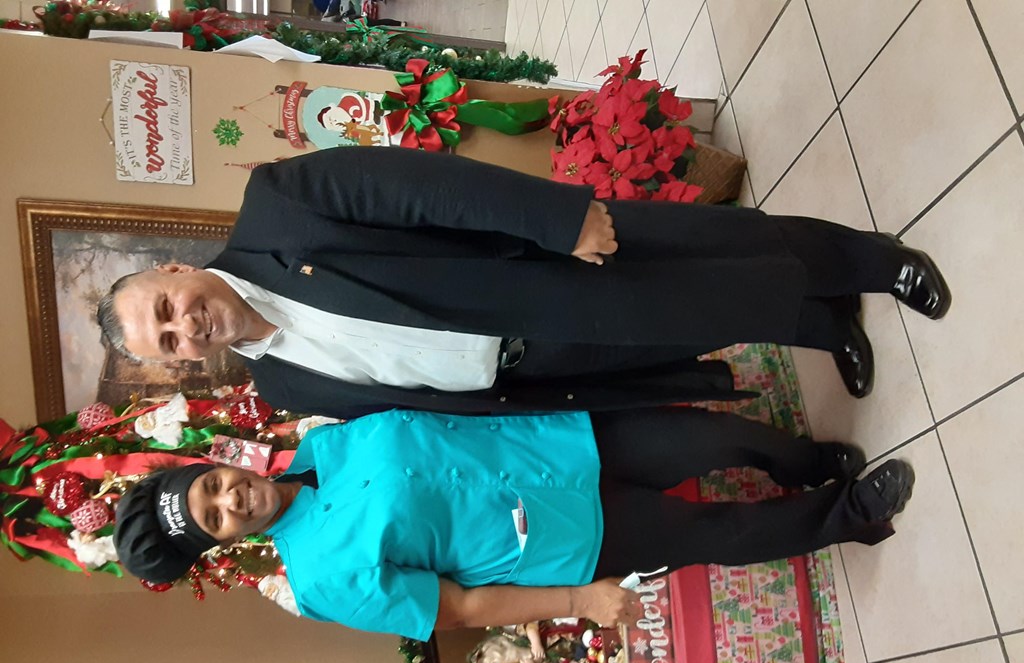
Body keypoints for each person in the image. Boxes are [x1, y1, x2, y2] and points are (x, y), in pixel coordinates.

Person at [96, 148, 951, 418]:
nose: (185, 329)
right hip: (533, 365)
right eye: (167, 344)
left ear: (174, 269)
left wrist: (555, 218)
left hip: (544, 267)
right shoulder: (280, 384)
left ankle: (878, 261)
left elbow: (419, 185)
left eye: (166, 310)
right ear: (179, 365)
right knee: (697, 321)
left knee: (723, 253)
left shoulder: (277, 209)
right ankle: (825, 322)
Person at [113, 408, 913, 640]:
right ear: (224, 545)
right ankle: (849, 514)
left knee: (712, 437)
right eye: (216, 518)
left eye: (214, 486)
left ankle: (807, 463)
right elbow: (456, 608)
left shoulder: (320, 439)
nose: (232, 500)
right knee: (719, 535)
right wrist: (579, 602)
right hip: (560, 538)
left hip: (563, 441)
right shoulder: (324, 580)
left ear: (218, 466)